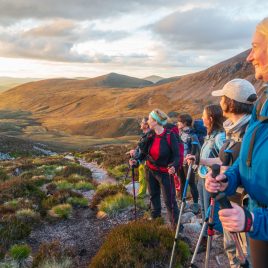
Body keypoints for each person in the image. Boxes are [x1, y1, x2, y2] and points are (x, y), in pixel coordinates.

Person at [205, 18, 268, 268]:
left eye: (255, 46)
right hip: (256, 219)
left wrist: (253, 221)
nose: (249, 57)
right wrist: (229, 178)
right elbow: (248, 160)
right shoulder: (262, 103)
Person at [211, 78, 257, 267]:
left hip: (247, 209)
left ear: (230, 102)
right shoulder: (230, 131)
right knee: (231, 248)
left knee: (248, 254)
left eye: (223, 97)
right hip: (229, 202)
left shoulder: (253, 132)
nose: (220, 101)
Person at [129, 109, 179, 226]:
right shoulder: (150, 135)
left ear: (155, 121)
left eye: (150, 119)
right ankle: (156, 219)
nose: (148, 121)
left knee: (169, 201)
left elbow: (176, 156)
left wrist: (173, 166)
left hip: (165, 173)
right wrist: (136, 161)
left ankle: (176, 226)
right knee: (153, 196)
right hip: (150, 171)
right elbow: (143, 154)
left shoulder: (170, 136)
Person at [177, 113, 200, 214]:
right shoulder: (180, 133)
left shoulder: (192, 135)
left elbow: (196, 149)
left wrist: (194, 161)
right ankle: (183, 202)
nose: (177, 123)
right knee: (182, 181)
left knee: (191, 183)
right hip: (181, 162)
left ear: (185, 123)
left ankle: (195, 204)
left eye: (179, 122)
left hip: (189, 163)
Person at [129, 117, 150, 198]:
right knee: (142, 178)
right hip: (142, 161)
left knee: (143, 179)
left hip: (145, 162)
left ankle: (141, 195)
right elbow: (140, 149)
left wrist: (134, 154)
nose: (140, 124)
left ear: (146, 125)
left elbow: (143, 151)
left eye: (142, 122)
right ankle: (142, 194)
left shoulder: (147, 136)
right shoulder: (144, 135)